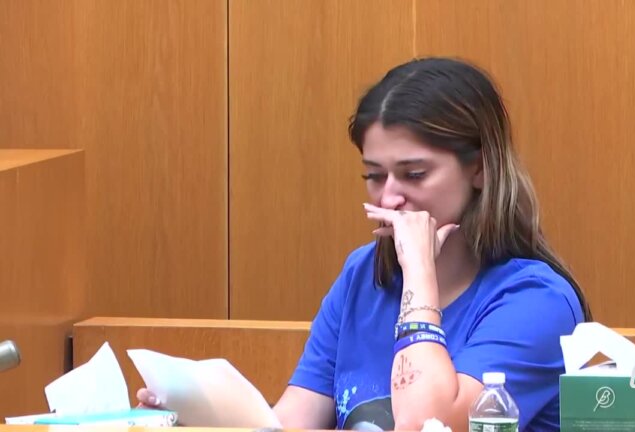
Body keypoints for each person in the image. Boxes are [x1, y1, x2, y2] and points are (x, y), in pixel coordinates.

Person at [138, 57, 591, 431]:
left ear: (480, 170)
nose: (389, 196)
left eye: (414, 174)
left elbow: (428, 426)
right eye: (374, 175)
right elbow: (293, 421)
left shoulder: (536, 300)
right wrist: (200, 419)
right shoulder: (361, 275)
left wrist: (418, 274)